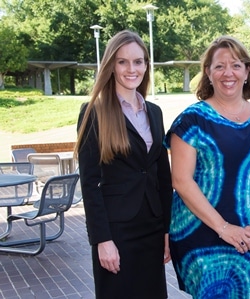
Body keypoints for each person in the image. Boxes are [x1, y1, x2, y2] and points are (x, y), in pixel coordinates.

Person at [164, 36, 250, 299]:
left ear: (247, 71)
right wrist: (223, 228)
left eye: (235, 65)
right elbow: (181, 181)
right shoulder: (191, 121)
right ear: (208, 73)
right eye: (219, 66)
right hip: (204, 236)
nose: (227, 73)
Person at [74, 30, 172, 299]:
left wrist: (167, 230)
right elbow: (90, 184)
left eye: (138, 61)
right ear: (111, 66)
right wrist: (102, 240)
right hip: (116, 230)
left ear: (146, 65)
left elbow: (163, 176)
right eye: (123, 62)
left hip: (152, 227)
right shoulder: (94, 112)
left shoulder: (154, 111)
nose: (132, 69)